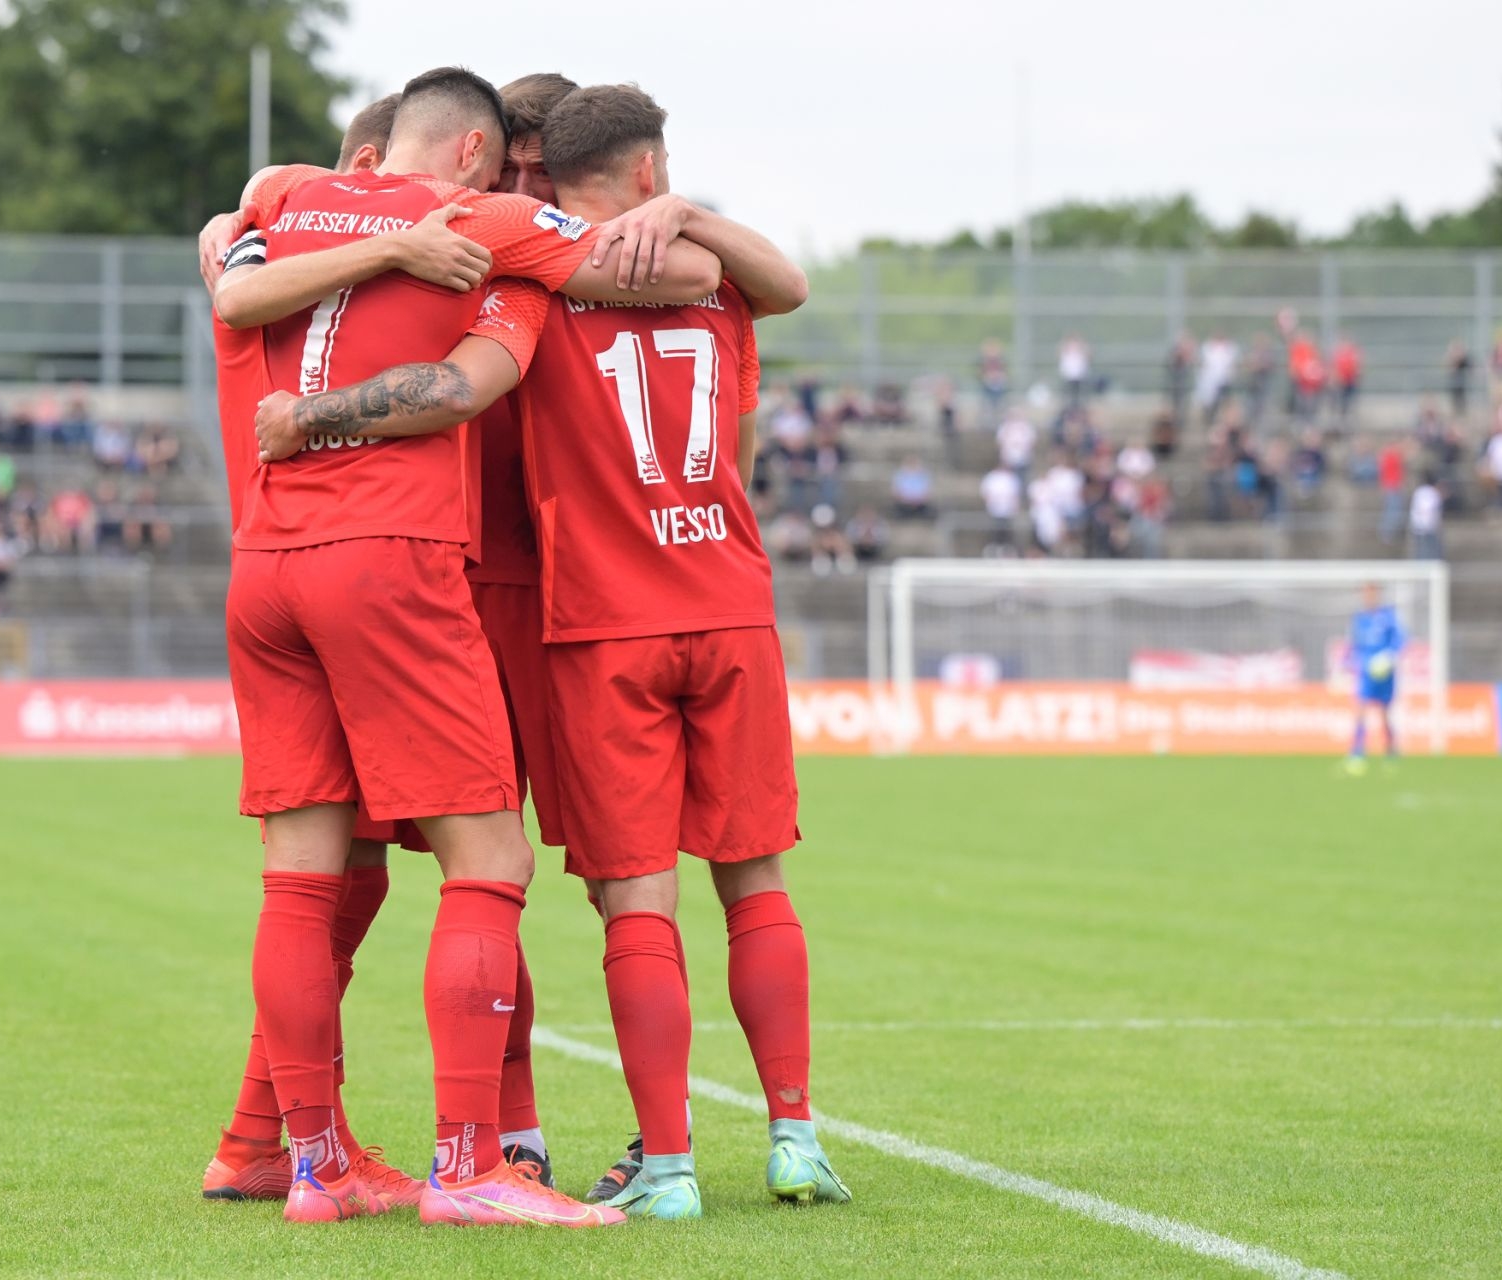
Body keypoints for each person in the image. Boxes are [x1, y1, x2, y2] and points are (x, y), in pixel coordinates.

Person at [252, 82, 842, 1222]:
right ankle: (776, 1133)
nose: (516, 198)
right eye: (506, 179)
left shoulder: (511, 279)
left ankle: (630, 1157)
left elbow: (437, 370)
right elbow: (765, 331)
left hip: (563, 612)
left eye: (531, 181)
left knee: (520, 881)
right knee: (724, 880)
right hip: (707, 600)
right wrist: (689, 220)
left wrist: (302, 393)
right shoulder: (712, 290)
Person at [1344, 583, 1404, 775]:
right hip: (1365, 672)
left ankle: (1390, 751)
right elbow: (1353, 645)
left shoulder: (1388, 617)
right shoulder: (1359, 619)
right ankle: (1357, 753)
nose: (1368, 597)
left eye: (1371, 593)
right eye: (1366, 594)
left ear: (1377, 595)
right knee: (1361, 709)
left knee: (1384, 714)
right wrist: (1348, 662)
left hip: (1385, 673)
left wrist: (1389, 657)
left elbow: (1400, 640)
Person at [980, 463, 1021, 554]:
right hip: (994, 508)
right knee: (995, 529)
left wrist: (1015, 505)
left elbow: (1015, 493)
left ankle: (1006, 548)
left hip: (1007, 509)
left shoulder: (1010, 477)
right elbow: (985, 492)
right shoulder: (991, 477)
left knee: (1006, 530)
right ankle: (994, 547)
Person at [1409, 476, 1444, 560]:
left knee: (1421, 549)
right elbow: (1429, 509)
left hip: (1417, 525)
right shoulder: (1433, 493)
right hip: (1428, 527)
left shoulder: (1418, 491)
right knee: (1429, 550)